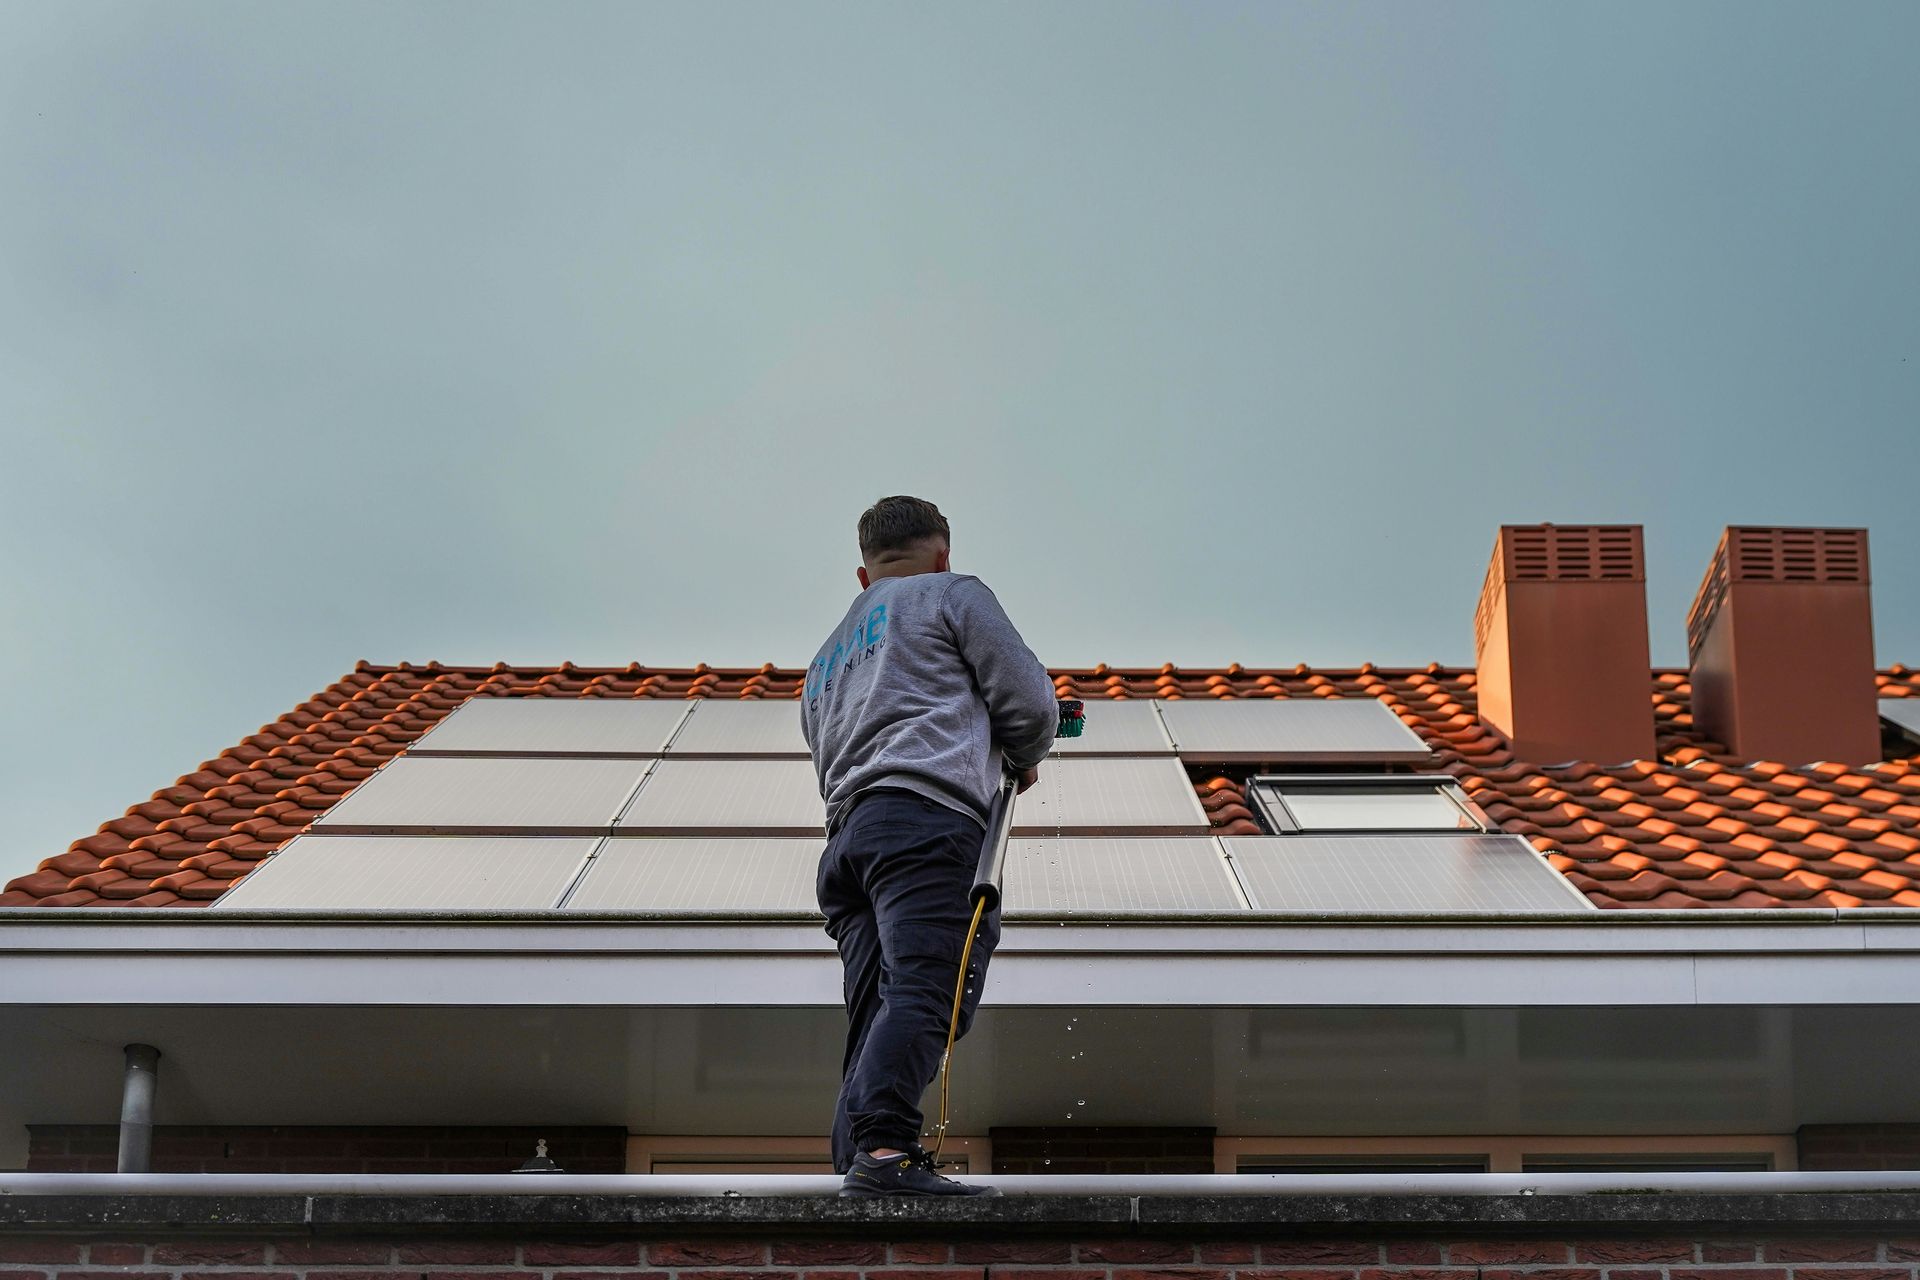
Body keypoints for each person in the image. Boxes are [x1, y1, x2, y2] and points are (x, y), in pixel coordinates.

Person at [802, 495, 1058, 1198]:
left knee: (874, 1011)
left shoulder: (825, 660)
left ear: (864, 575)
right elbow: (1031, 704)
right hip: (924, 825)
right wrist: (1027, 749)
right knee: (928, 989)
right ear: (942, 552)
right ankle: (884, 1154)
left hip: (848, 841)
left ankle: (853, 1166)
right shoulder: (951, 594)